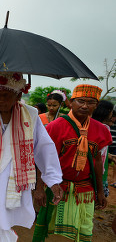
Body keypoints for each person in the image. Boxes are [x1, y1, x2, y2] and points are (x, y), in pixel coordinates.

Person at [0, 72, 63, 242]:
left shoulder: (31, 115)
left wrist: (53, 180)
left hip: (12, 184)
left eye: (5, 96)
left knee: (4, 226)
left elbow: (44, 148)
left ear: (18, 95)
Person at [33, 84, 112, 242]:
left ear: (96, 106)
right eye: (80, 101)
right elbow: (42, 159)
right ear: (71, 102)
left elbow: (97, 161)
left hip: (85, 190)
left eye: (90, 102)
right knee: (49, 229)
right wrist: (39, 188)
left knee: (84, 229)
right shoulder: (55, 127)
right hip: (56, 187)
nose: (84, 106)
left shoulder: (101, 130)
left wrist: (100, 191)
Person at [91, 100, 114, 198]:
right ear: (108, 112)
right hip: (97, 168)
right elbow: (100, 155)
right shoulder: (104, 128)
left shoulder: (87, 123)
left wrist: (111, 156)